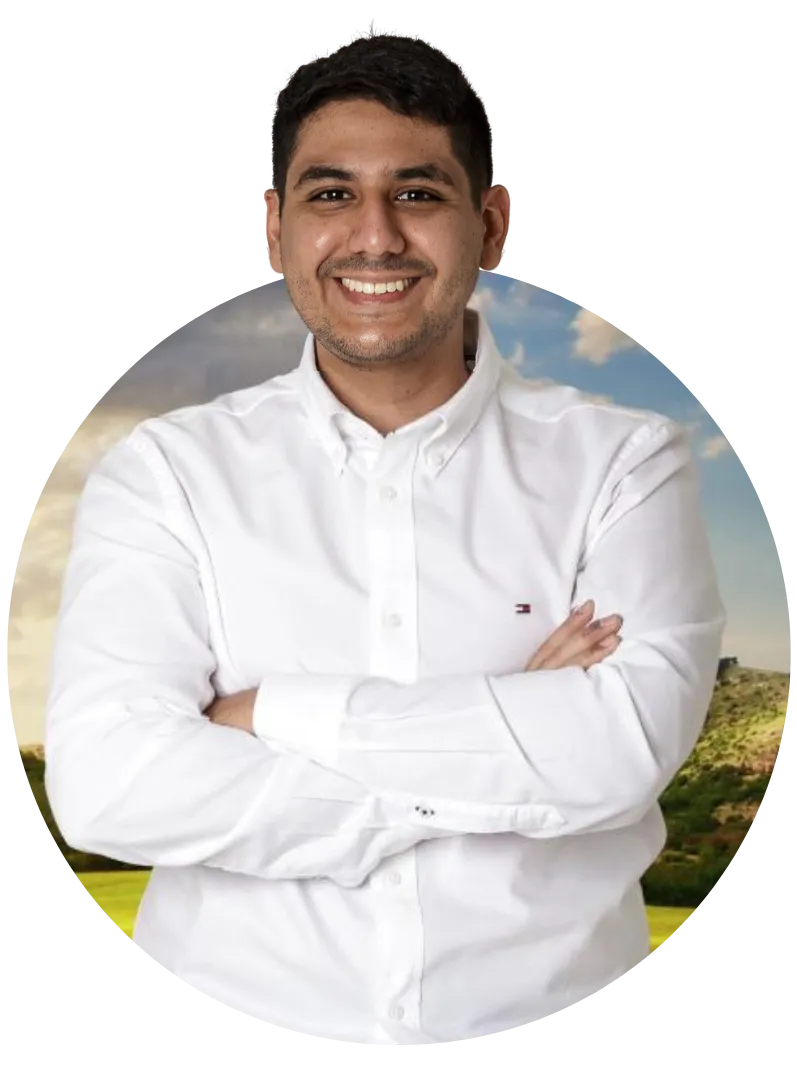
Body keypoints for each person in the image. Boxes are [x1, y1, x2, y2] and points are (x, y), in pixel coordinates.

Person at [44, 31, 726, 1046]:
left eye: (416, 192)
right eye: (330, 194)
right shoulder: (166, 475)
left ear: (489, 226)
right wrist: (504, 747)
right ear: (274, 230)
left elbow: (617, 754)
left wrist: (272, 714)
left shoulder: (624, 463)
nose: (374, 236)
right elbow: (110, 789)